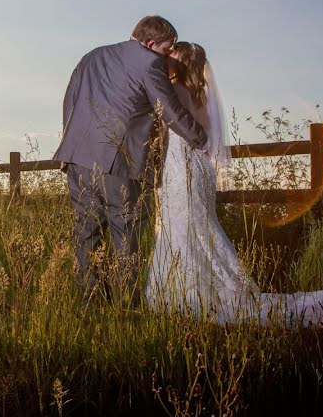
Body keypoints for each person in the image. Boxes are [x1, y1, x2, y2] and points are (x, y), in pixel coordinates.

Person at [146, 42, 323, 326]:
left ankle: (182, 290)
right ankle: (195, 286)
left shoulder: (174, 92)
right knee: (194, 227)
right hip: (195, 171)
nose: (165, 60)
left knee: (183, 227)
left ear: (183, 62)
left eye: (171, 56)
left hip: (180, 170)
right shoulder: (199, 96)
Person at [53, 16, 209, 306]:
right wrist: (201, 138)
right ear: (150, 44)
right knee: (126, 234)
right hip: (119, 162)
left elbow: (69, 101)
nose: (167, 56)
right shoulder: (150, 63)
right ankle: (128, 304)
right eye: (166, 49)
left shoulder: (92, 55)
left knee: (86, 234)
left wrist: (72, 144)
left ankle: (91, 303)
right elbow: (169, 110)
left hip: (77, 159)